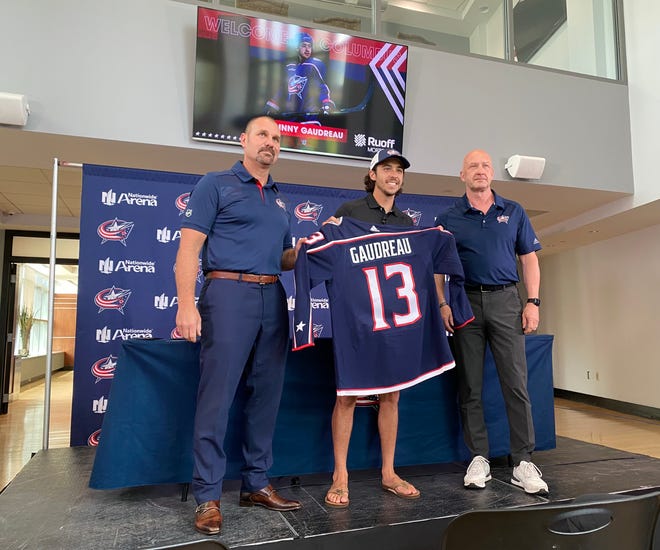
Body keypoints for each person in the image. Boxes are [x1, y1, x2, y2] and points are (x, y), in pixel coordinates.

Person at [175, 116, 303, 535]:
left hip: (273, 296)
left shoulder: (281, 199)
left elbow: (283, 259)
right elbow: (189, 249)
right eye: (263, 135)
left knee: (266, 395)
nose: (270, 143)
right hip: (228, 294)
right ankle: (208, 495)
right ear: (244, 140)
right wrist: (186, 306)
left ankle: (256, 483)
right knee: (218, 395)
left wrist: (302, 251)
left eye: (277, 139)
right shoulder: (216, 183)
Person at [434, 149, 548, 495]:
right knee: (470, 386)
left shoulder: (513, 211)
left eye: (484, 165)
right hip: (465, 301)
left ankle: (523, 461)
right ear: (462, 175)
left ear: (492, 173)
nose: (479, 171)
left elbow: (528, 260)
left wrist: (533, 302)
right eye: (472, 166)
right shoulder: (449, 216)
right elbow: (438, 268)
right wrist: (441, 303)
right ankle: (478, 457)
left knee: (516, 382)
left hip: (506, 300)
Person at [324, 149, 419, 507]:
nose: (394, 174)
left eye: (399, 170)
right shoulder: (350, 212)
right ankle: (340, 475)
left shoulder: (407, 223)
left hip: (392, 322)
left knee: (392, 395)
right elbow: (327, 254)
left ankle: (389, 473)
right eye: (387, 168)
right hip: (357, 322)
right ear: (373, 174)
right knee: (347, 395)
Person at [265, 32, 336, 122]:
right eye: (304, 46)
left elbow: (323, 87)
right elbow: (283, 89)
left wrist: (326, 103)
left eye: (309, 46)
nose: (307, 49)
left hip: (309, 117)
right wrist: (273, 103)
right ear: (297, 47)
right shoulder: (289, 66)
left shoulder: (315, 64)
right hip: (291, 117)